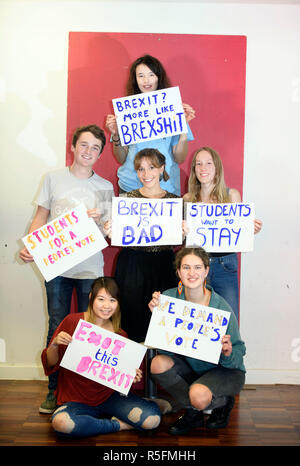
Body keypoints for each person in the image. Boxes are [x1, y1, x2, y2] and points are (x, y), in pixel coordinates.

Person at [19, 124, 114, 414]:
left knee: (90, 329)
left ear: (100, 153)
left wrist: (102, 223)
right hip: (56, 267)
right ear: (73, 147)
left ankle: (86, 393)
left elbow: (109, 232)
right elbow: (41, 216)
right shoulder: (53, 179)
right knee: (57, 326)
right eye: (84, 145)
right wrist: (32, 245)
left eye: (95, 148)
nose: (89, 151)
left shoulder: (105, 187)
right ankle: (54, 391)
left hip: (90, 268)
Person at [41, 277, 161, 438]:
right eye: (101, 299)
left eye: (112, 300)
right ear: (91, 298)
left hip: (111, 398)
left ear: (118, 303)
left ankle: (101, 421)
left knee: (151, 420)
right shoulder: (72, 321)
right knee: (61, 423)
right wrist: (54, 345)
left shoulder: (120, 335)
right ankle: (117, 424)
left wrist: (130, 376)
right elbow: (50, 363)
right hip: (76, 398)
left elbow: (119, 376)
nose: (106, 306)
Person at [149, 247, 246, 435]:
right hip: (193, 369)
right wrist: (158, 321)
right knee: (157, 364)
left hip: (224, 371)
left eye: (197, 267)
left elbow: (239, 355)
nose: (192, 273)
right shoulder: (168, 299)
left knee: (198, 396)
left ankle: (223, 402)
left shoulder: (220, 307)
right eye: (186, 267)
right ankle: (194, 412)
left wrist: (227, 352)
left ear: (206, 271)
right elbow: (168, 352)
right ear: (178, 272)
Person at [107, 148, 180, 344]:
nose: (146, 174)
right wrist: (112, 231)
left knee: (162, 319)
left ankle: (158, 369)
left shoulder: (174, 201)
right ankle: (134, 371)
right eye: (140, 169)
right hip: (132, 265)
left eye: (151, 167)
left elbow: (176, 241)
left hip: (163, 265)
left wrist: (183, 232)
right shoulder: (127, 199)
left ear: (162, 168)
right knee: (132, 317)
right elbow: (120, 235)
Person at [183, 146, 263, 319]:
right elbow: (183, 237)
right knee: (196, 320)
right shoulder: (188, 199)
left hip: (224, 265)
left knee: (229, 319)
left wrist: (250, 230)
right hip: (195, 266)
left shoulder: (231, 195)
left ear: (217, 168)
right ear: (194, 170)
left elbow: (239, 233)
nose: (203, 168)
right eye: (199, 164)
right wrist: (180, 230)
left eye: (208, 163)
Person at [105, 54, 195, 195]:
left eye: (151, 75)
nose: (146, 80)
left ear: (159, 77)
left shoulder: (172, 108)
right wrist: (115, 134)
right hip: (131, 186)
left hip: (166, 187)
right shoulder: (127, 111)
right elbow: (121, 158)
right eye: (140, 76)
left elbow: (180, 158)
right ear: (135, 80)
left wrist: (183, 129)